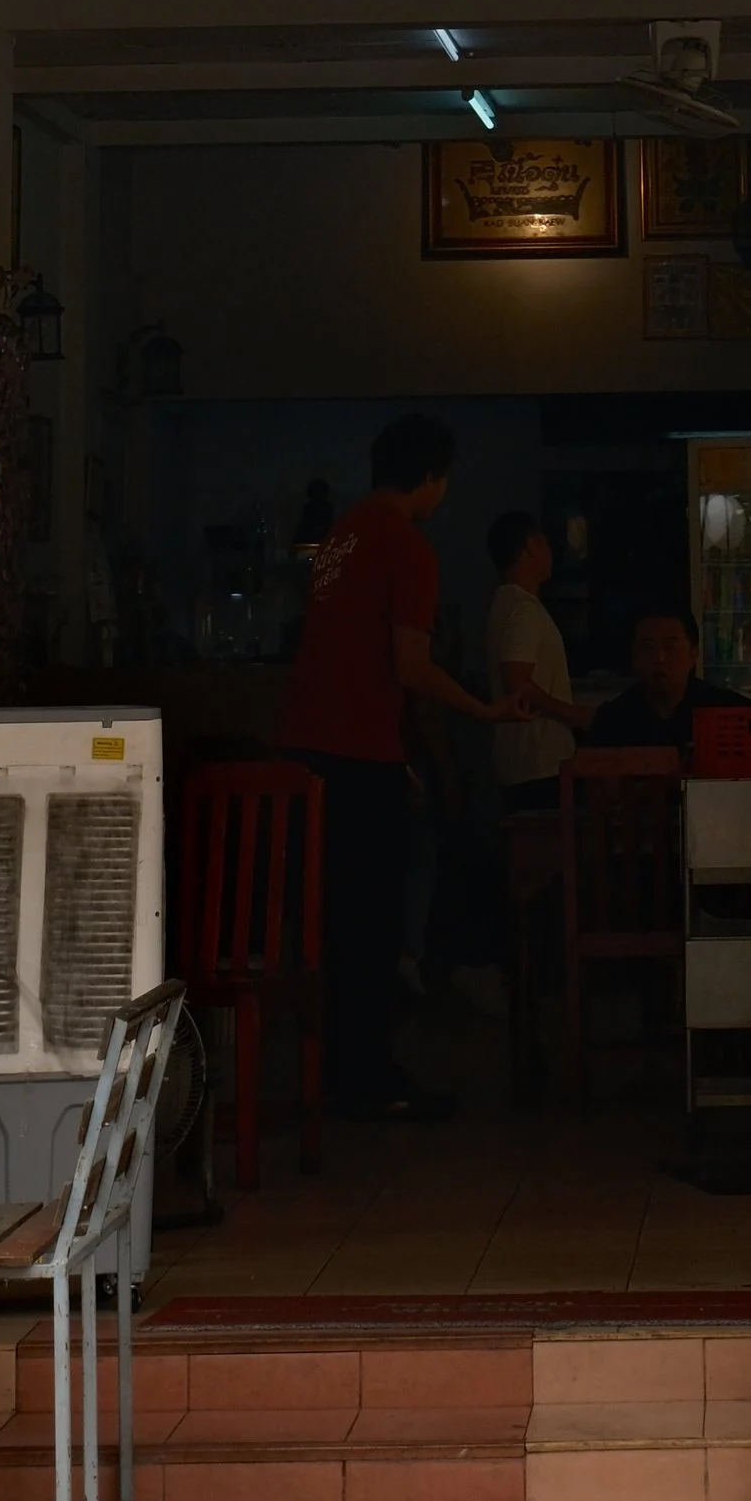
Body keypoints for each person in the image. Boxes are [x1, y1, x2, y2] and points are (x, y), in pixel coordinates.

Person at [278, 411, 526, 1122]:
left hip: (309, 754)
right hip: (356, 761)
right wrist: (484, 710)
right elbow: (410, 667)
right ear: (431, 477)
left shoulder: (338, 538)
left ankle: (329, 1074)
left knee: (327, 924)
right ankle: (367, 1080)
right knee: (372, 926)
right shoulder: (407, 548)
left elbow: (339, 657)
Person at [484, 512, 590, 805]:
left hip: (525, 763)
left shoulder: (505, 604)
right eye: (544, 543)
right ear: (530, 546)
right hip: (538, 764)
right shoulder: (522, 609)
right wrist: (574, 715)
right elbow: (518, 683)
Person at [581, 603, 750, 753]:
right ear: (633, 656)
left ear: (693, 654)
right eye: (648, 647)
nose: (659, 658)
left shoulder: (727, 712)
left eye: (671, 646)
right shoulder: (614, 720)